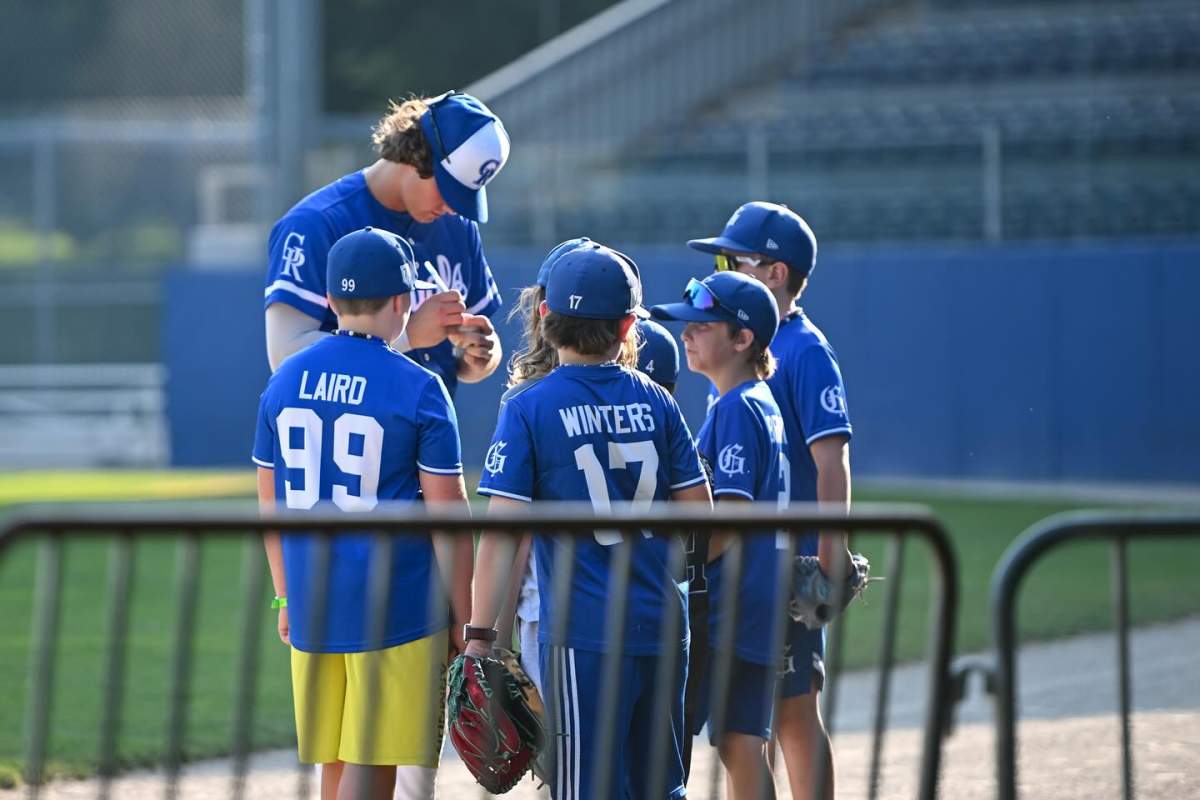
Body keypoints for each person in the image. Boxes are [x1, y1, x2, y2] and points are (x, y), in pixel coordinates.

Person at [466, 242, 712, 800]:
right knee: (660, 785)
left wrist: (480, 638)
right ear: (629, 325)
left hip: (583, 633)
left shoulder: (528, 406)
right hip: (663, 623)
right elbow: (702, 515)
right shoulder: (659, 400)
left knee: (584, 787)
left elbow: (502, 535)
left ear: (545, 316)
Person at [253, 227, 474, 800]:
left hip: (312, 599)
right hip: (395, 606)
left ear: (328, 300)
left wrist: (283, 595)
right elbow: (449, 516)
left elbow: (269, 503)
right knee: (375, 764)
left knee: (334, 759)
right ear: (402, 303)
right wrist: (467, 618)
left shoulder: (284, 381)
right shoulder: (420, 386)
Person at [687, 202, 853, 800]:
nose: (722, 269)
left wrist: (829, 556)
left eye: (733, 259)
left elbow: (831, 459)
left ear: (775, 273)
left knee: (792, 713)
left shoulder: (804, 350)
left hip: (787, 561)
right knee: (758, 724)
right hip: (762, 564)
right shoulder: (750, 361)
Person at [263, 91, 508, 396]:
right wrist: (408, 335)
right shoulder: (315, 223)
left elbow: (462, 359)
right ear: (418, 155)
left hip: (431, 434)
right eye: (448, 189)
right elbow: (285, 356)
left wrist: (479, 355)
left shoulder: (458, 226)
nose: (452, 207)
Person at [651, 271, 787, 800]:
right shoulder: (753, 400)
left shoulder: (737, 407)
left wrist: (677, 569)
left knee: (734, 743)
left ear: (742, 338)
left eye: (701, 326)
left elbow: (726, 521)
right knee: (741, 742)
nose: (686, 335)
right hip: (759, 597)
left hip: (736, 602)